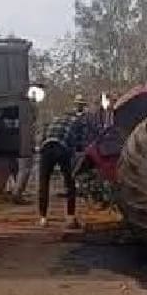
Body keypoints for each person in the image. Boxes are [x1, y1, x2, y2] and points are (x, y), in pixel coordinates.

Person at [38, 94, 97, 229]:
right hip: (61, 148)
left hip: (46, 148)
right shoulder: (79, 122)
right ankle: (70, 218)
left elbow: (44, 135)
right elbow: (80, 144)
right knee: (70, 183)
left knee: (43, 184)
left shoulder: (57, 118)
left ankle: (43, 218)